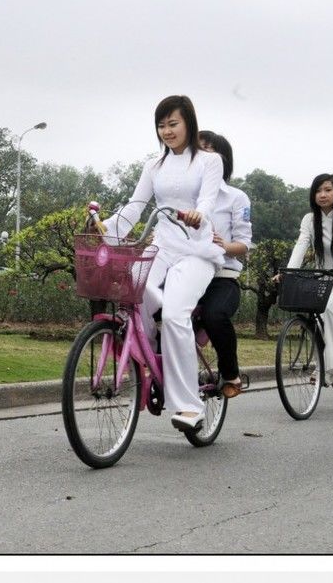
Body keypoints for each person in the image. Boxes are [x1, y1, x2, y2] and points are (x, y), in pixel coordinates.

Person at [99, 95, 225, 432]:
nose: (166, 131)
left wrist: (200, 214)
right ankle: (155, 357)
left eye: (173, 123)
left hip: (197, 250)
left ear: (188, 123)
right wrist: (105, 228)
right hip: (164, 245)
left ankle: (189, 407)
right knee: (134, 293)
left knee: (173, 313)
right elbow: (136, 205)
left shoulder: (208, 162)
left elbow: (209, 200)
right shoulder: (153, 166)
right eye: (161, 125)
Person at [280, 174, 333, 382]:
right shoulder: (309, 220)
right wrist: (289, 272)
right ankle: (323, 367)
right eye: (318, 191)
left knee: (332, 308)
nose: (322, 195)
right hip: (323, 279)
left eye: (327, 190)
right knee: (318, 320)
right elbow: (301, 245)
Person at [196, 131, 252, 399]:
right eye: (197, 150)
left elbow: (244, 244)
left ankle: (230, 373)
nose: (201, 156)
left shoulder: (235, 197)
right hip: (189, 271)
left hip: (223, 276)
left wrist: (223, 245)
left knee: (214, 314)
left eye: (208, 150)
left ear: (222, 160)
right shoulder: (185, 194)